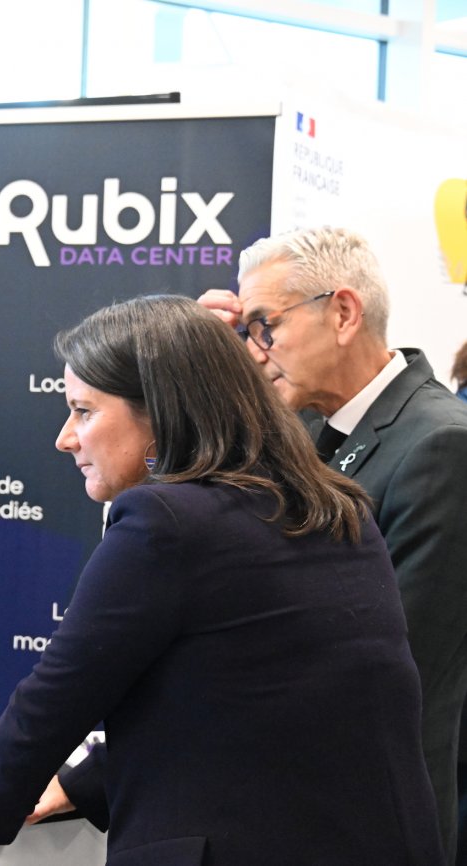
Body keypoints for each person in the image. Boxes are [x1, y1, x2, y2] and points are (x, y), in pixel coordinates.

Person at [0, 294, 442, 864]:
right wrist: (82, 784)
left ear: (160, 413)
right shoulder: (337, 506)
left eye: (84, 411)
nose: (66, 437)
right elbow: (252, 707)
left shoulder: (164, 521)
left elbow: (58, 695)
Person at [199, 226, 467, 859]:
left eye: (264, 326)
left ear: (343, 313)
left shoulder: (440, 445)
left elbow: (388, 667)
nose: (255, 352)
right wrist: (203, 371)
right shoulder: (303, 430)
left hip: (366, 818)